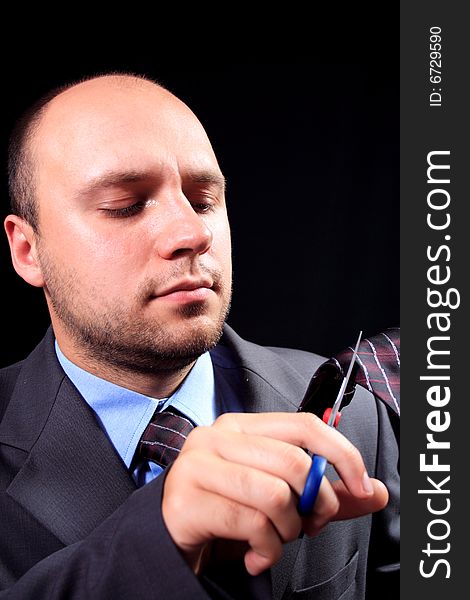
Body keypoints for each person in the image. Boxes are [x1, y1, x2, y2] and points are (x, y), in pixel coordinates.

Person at [0, 73, 399, 599]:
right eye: (125, 204)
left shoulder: (357, 414)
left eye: (204, 199)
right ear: (28, 250)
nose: (193, 234)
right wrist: (159, 536)